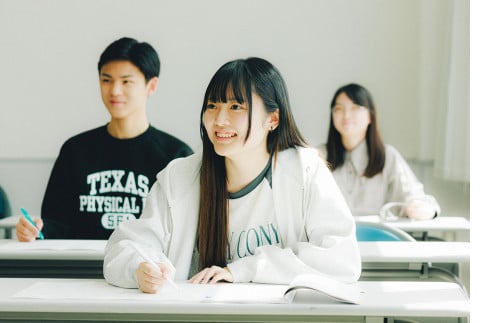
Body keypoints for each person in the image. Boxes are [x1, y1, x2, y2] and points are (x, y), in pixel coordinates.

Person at [103, 57, 361, 294]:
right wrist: (141, 268)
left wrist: (243, 270)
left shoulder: (304, 171)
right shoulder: (180, 177)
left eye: (236, 106)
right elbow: (125, 246)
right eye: (212, 106)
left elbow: (341, 260)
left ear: (273, 119)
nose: (219, 120)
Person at [15, 37, 193, 241]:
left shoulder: (176, 156)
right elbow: (56, 223)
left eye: (126, 81)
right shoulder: (75, 150)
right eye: (106, 80)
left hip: (148, 268)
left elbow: (184, 231)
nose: (115, 90)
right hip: (79, 267)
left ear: (151, 86)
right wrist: (35, 230)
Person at [317, 83, 440, 220]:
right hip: (332, 239)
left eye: (355, 108)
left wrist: (422, 209)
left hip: (376, 238)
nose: (346, 115)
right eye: (339, 109)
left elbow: (415, 198)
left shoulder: (386, 156)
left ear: (370, 116)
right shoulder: (319, 156)